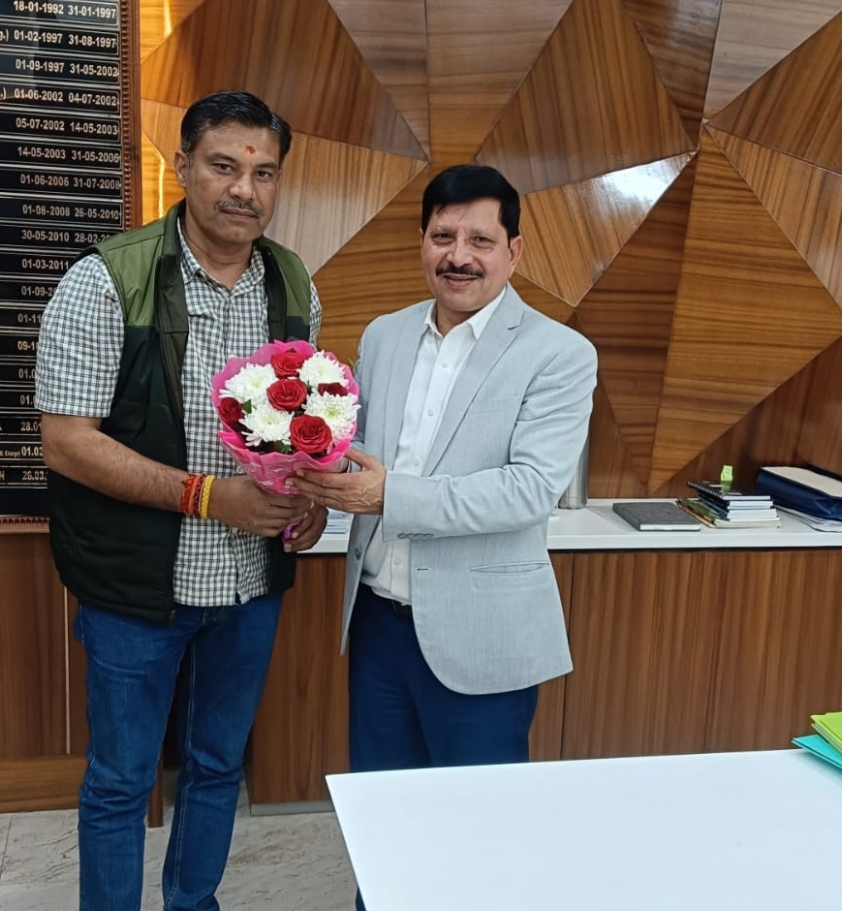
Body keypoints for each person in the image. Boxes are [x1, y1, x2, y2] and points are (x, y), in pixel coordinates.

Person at [34, 90, 328, 911]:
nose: (244, 189)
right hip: (135, 589)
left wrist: (307, 494)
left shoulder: (293, 282)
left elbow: (298, 426)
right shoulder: (106, 279)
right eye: (224, 166)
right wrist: (206, 497)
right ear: (183, 167)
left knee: (217, 765)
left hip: (249, 585)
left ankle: (192, 902)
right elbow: (66, 441)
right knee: (121, 779)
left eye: (263, 173)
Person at [291, 163, 597, 782]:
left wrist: (389, 496)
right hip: (377, 624)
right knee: (383, 811)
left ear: (513, 252)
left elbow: (529, 490)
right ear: (422, 243)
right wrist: (310, 482)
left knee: (476, 823)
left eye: (480, 240)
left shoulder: (559, 353)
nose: (459, 257)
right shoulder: (384, 335)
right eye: (443, 237)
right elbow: (357, 448)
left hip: (481, 634)